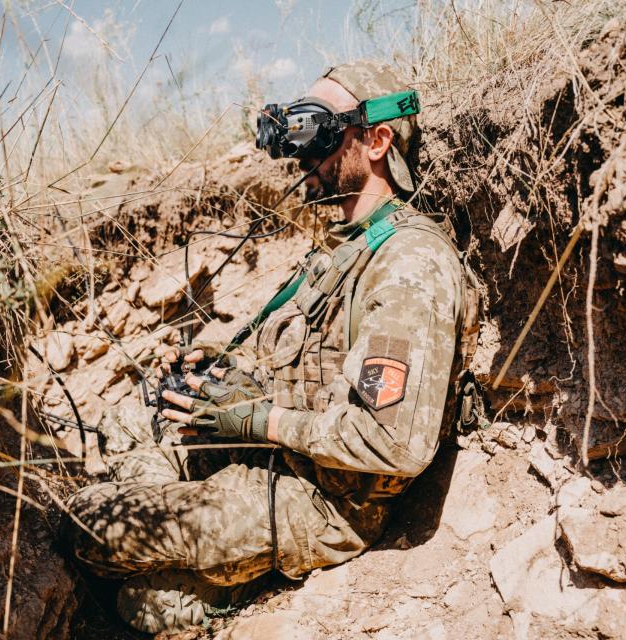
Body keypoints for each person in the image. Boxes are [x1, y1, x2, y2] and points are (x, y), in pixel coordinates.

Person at [63, 60, 478, 635]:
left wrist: (258, 421)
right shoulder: (346, 247)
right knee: (127, 424)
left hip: (322, 501)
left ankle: (213, 574)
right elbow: (305, 362)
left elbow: (393, 442)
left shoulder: (409, 265)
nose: (301, 157)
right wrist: (226, 368)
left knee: (91, 530)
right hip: (274, 457)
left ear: (378, 139)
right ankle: (185, 542)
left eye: (320, 134)